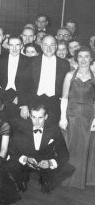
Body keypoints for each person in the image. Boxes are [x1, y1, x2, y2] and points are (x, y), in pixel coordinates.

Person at [8, 104, 74, 194]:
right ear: (30, 116)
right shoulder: (21, 127)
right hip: (27, 162)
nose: (37, 122)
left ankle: (46, 181)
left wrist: (50, 163)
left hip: (45, 162)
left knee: (69, 168)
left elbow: (64, 154)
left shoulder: (54, 130)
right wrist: (26, 159)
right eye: (34, 117)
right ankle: (22, 179)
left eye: (40, 118)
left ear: (46, 117)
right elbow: (12, 150)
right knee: (9, 162)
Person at [59, 47, 95, 189]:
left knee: (85, 147)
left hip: (88, 116)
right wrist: (63, 118)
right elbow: (64, 98)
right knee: (71, 147)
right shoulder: (69, 75)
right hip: (71, 115)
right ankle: (68, 179)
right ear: (76, 58)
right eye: (80, 56)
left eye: (87, 56)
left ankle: (82, 180)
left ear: (91, 58)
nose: (83, 59)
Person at [19, 35, 70, 125]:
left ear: (56, 46)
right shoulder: (31, 61)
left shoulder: (64, 64)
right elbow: (23, 84)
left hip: (54, 103)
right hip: (34, 101)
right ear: (41, 46)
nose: (49, 48)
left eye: (52, 45)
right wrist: (23, 105)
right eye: (46, 45)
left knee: (51, 132)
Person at [0, 36, 30, 124]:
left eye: (17, 45)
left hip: (20, 99)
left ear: (22, 46)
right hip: (2, 98)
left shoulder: (28, 61)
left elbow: (30, 86)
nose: (14, 48)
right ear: (7, 46)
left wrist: (24, 104)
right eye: (11, 45)